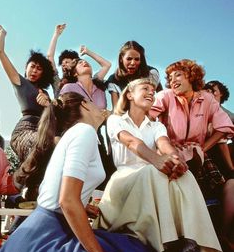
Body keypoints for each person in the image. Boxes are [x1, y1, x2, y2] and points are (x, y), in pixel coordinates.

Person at [0, 92, 181, 252]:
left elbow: (57, 192)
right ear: (85, 105)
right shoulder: (83, 132)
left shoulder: (78, 134)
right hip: (48, 235)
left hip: (47, 226)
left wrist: (84, 206)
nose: (100, 107)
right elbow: (67, 200)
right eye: (94, 103)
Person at [94, 78, 233, 252]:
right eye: (145, 89)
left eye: (153, 89)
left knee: (184, 175)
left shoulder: (156, 125)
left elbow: (164, 144)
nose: (151, 92)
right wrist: (157, 160)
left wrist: (175, 160)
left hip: (153, 173)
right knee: (154, 172)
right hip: (125, 178)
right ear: (130, 95)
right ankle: (167, 250)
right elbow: (132, 142)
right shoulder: (116, 120)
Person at [149, 59, 234, 252]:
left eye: (178, 75)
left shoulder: (206, 99)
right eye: (169, 77)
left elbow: (225, 126)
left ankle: (221, 237)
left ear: (191, 76)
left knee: (229, 187)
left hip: (198, 156)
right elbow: (147, 116)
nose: (172, 80)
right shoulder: (165, 95)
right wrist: (165, 144)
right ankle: (179, 251)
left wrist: (204, 148)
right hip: (173, 154)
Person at [60, 46, 115, 189]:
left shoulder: (100, 89)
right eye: (79, 63)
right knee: (81, 173)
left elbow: (107, 64)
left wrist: (88, 52)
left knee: (105, 173)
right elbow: (63, 115)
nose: (84, 63)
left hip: (97, 135)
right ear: (74, 73)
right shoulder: (69, 88)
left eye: (86, 62)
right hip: (76, 133)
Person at [0, 25, 54, 164]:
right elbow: (0, 52)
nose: (35, 70)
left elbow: (55, 115)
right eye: (32, 66)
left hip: (43, 130)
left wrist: (48, 105)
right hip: (25, 131)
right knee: (41, 149)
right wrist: (3, 35)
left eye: (39, 68)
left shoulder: (45, 93)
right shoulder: (20, 82)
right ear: (26, 67)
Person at [107, 40, 163, 109]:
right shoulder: (113, 80)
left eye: (137, 59)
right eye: (129, 59)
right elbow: (116, 108)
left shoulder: (151, 73)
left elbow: (160, 98)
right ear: (121, 59)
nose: (133, 63)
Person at [204, 81, 234, 177]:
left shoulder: (230, 116)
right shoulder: (201, 109)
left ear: (221, 93)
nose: (211, 92)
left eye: (214, 90)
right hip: (204, 148)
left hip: (221, 149)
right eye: (208, 90)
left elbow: (223, 140)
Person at [47, 23, 80, 97]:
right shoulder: (58, 83)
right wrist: (56, 34)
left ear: (75, 62)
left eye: (67, 62)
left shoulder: (84, 81)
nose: (64, 65)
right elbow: (50, 57)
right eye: (62, 64)